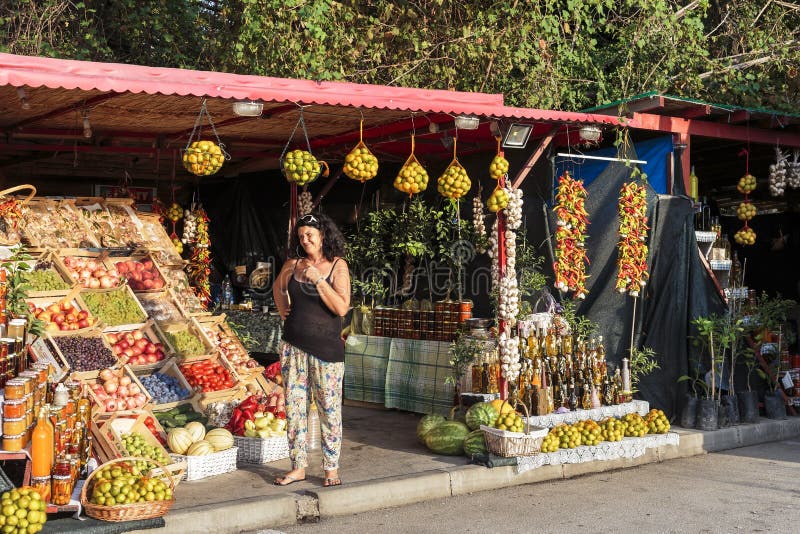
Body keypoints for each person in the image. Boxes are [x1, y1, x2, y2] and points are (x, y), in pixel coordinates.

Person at [272, 212, 350, 487]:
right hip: (293, 347)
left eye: (310, 235)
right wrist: (284, 311)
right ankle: (298, 466)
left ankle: (330, 469)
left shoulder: (337, 266)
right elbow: (278, 288)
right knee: (295, 409)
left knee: (329, 410)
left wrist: (318, 279)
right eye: (301, 236)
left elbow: (341, 308)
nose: (305, 240)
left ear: (323, 235)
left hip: (326, 352)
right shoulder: (293, 264)